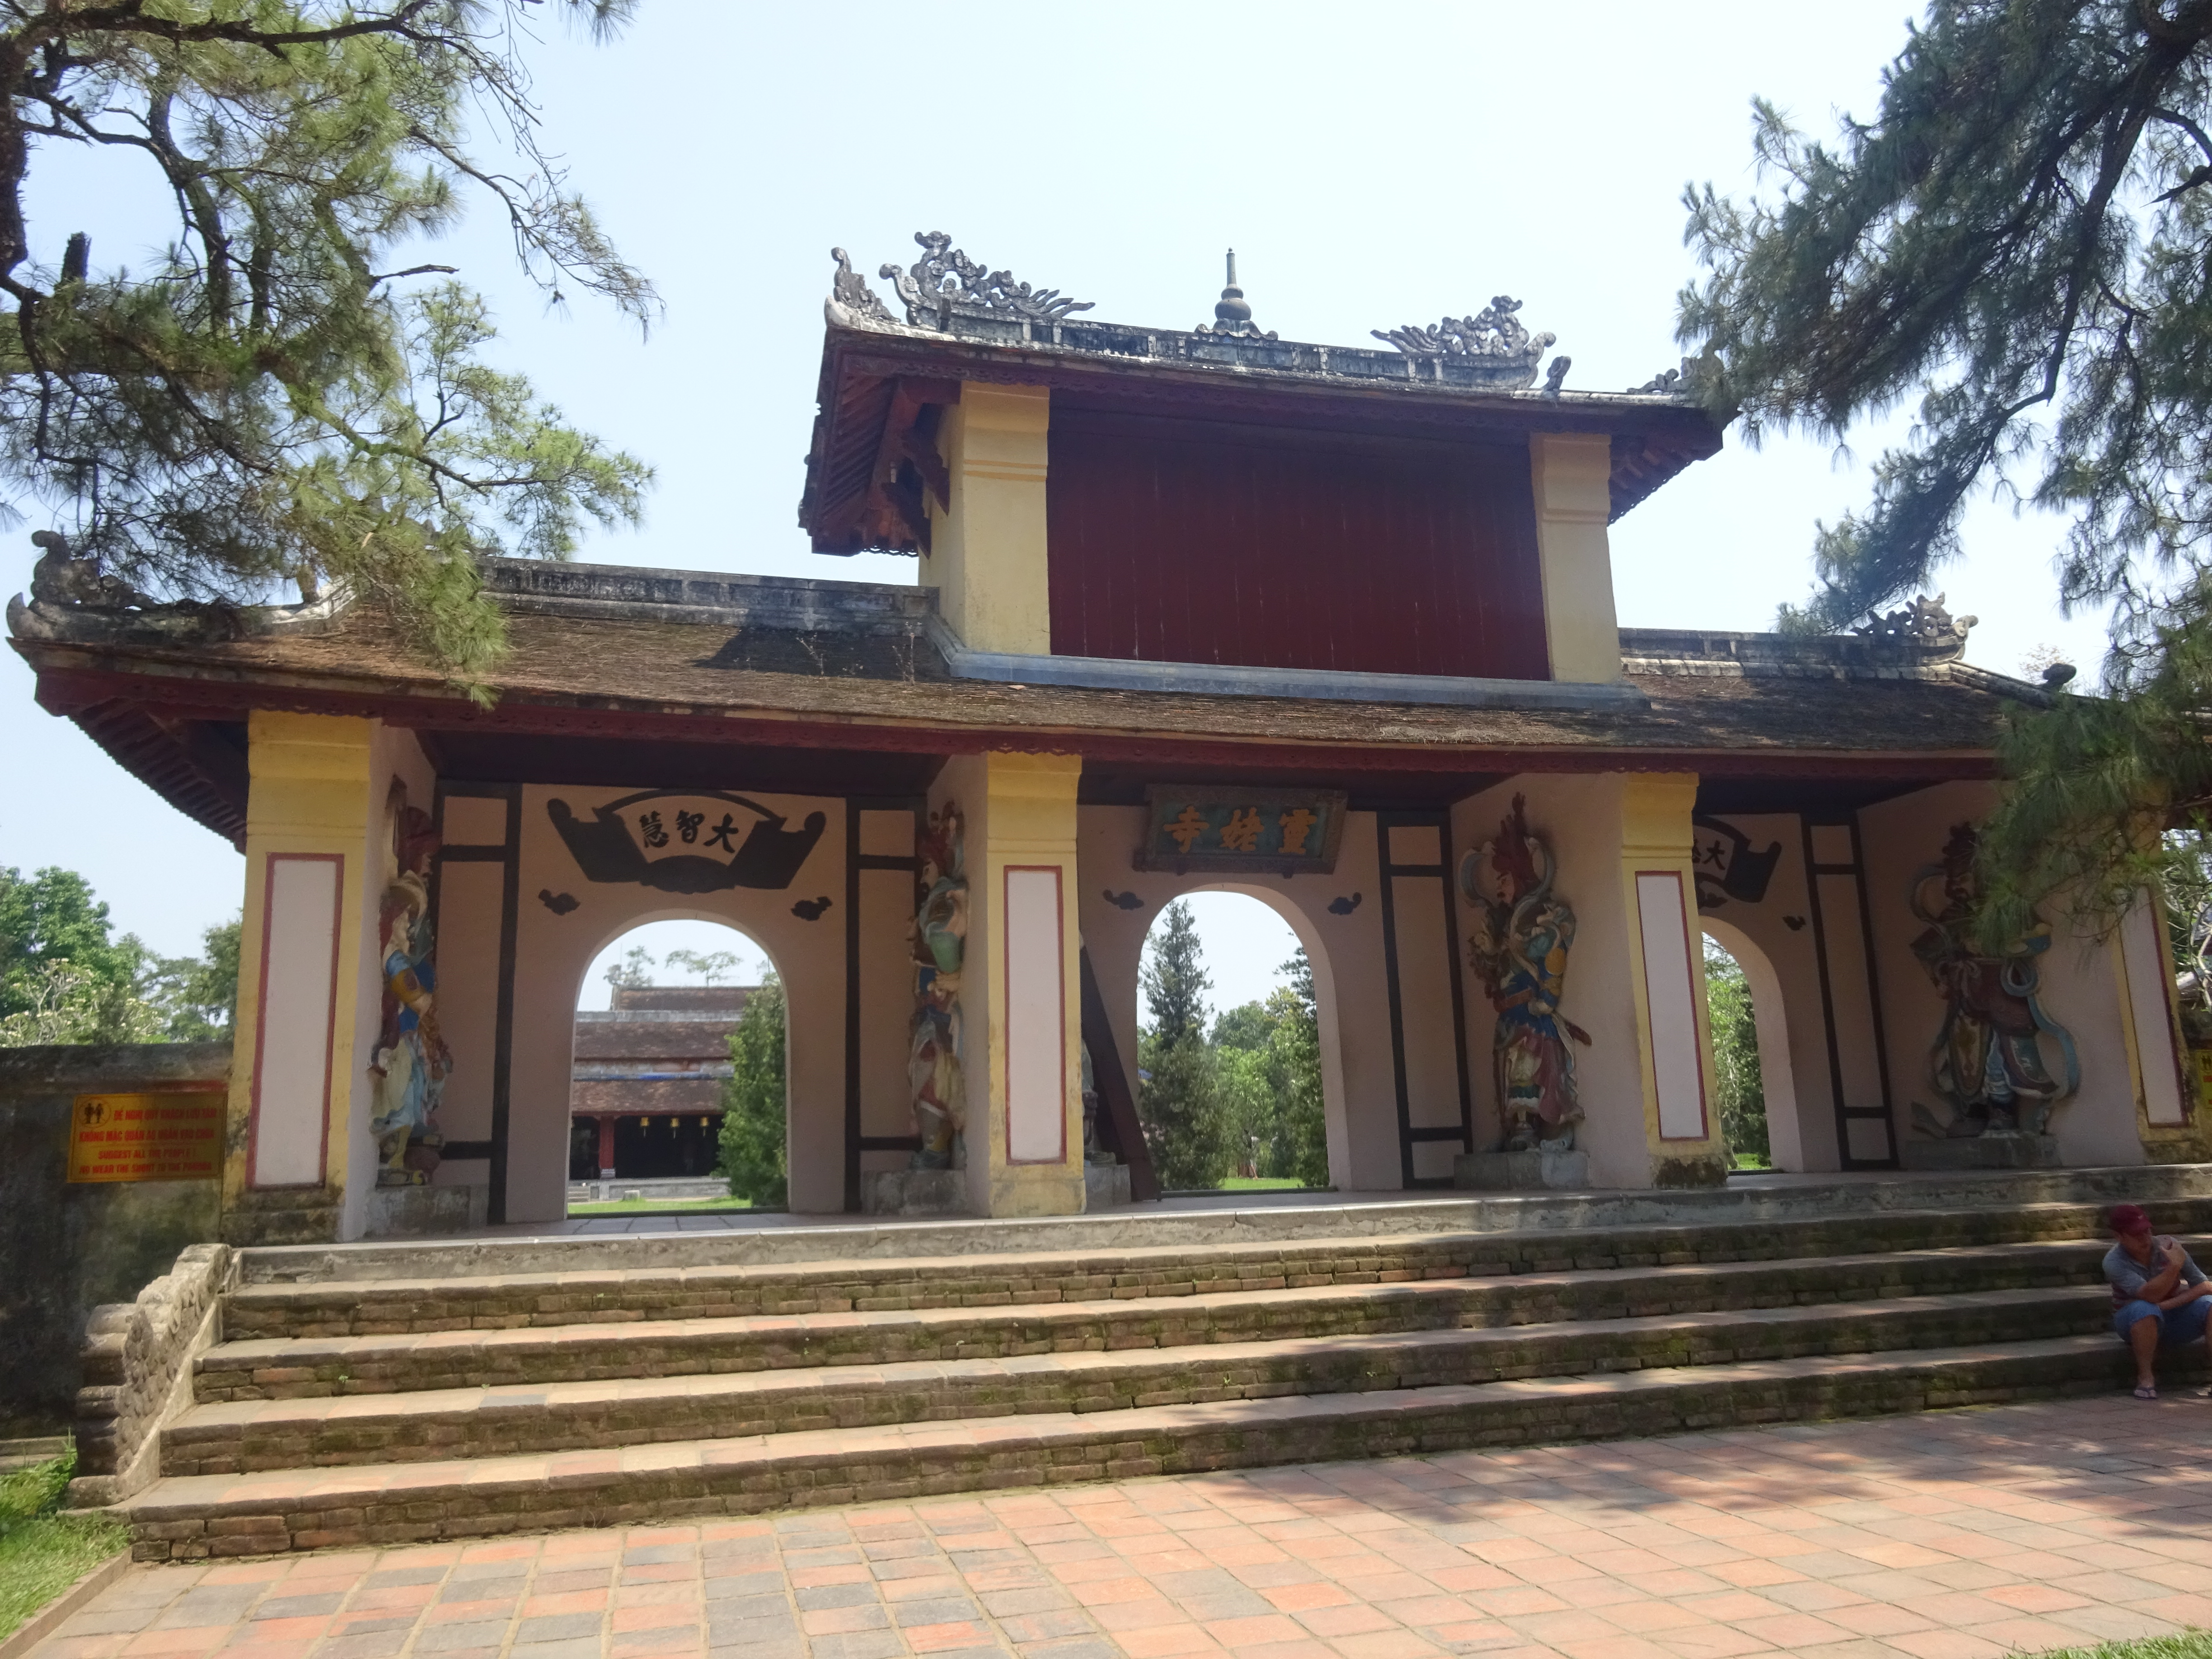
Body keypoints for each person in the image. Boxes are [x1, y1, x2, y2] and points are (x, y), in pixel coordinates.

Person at [2104, 1204, 2212, 1399]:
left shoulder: (2170, 1246)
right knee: (2143, 1309)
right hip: (2132, 1321)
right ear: (2119, 1236)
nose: (2145, 1238)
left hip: (2173, 1316)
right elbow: (2150, 1296)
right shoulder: (2114, 1261)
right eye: (2136, 1234)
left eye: (2147, 1231)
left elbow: (2204, 1285)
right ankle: (2145, 1378)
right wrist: (2174, 1267)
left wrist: (2165, 1305)